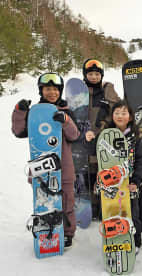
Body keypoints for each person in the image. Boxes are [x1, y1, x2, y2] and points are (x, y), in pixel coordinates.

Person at [11, 72, 80, 248]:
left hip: (64, 168)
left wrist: (65, 121)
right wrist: (20, 112)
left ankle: (68, 232)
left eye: (55, 89)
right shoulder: (35, 113)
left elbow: (74, 135)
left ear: (60, 91)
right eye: (47, 89)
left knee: (66, 202)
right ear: (41, 91)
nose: (51, 93)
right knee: (44, 201)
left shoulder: (66, 111)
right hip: (41, 167)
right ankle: (45, 229)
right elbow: (19, 132)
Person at [85, 100, 142, 254]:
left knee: (132, 212)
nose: (120, 116)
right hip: (110, 183)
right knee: (110, 210)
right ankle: (113, 239)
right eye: (117, 113)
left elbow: (141, 160)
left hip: (129, 182)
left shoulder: (136, 137)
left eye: (124, 113)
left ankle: (136, 241)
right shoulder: (105, 134)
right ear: (112, 116)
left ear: (130, 117)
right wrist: (90, 138)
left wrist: (136, 181)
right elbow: (93, 151)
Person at [82, 58, 121, 220]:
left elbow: (119, 109)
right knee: (89, 174)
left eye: (96, 74)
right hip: (85, 138)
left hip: (104, 138)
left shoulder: (107, 90)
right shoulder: (79, 92)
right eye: (90, 74)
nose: (93, 77)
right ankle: (93, 205)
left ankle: (104, 203)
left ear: (101, 75)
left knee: (103, 172)